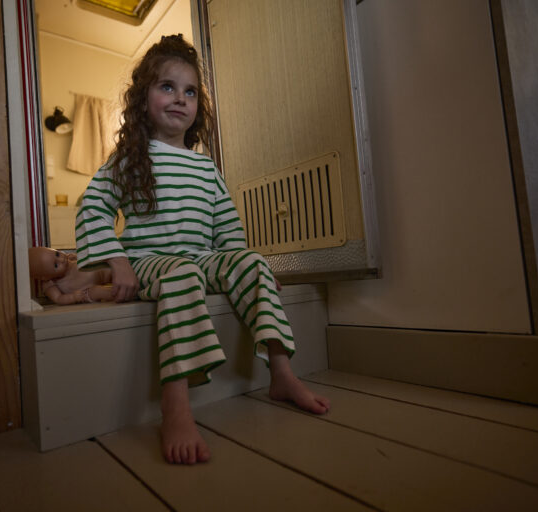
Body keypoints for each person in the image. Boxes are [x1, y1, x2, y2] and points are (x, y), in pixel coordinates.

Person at [75, 34, 330, 465]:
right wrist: (118, 262)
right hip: (150, 262)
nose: (180, 99)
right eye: (167, 87)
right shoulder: (130, 158)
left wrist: (248, 268)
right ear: (142, 99)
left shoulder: (205, 166)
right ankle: (176, 403)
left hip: (201, 258)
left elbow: (227, 227)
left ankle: (282, 373)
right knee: (183, 273)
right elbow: (93, 206)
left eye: (190, 91)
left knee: (253, 261)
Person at [28, 246, 113, 305]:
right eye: (56, 265)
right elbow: (58, 299)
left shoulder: (69, 258)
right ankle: (116, 294)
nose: (61, 259)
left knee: (106, 264)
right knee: (98, 292)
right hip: (86, 292)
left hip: (100, 270)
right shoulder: (49, 283)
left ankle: (117, 273)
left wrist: (76, 257)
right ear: (45, 277)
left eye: (57, 254)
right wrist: (73, 297)